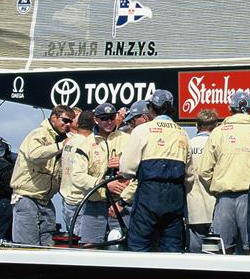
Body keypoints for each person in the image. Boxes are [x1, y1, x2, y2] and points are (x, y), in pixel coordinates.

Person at [119, 89, 192, 252]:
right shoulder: (183, 133)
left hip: (148, 195)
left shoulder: (142, 130)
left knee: (139, 244)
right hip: (175, 197)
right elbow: (190, 175)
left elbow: (126, 169)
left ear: (151, 108)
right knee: (172, 247)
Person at [198, 90, 250, 254]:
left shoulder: (218, 132)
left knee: (221, 251)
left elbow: (204, 171)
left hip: (224, 197)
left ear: (230, 109)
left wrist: (214, 189)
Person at [10, 105, 73, 246]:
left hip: (46, 200)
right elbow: (34, 154)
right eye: (65, 120)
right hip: (27, 197)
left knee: (48, 244)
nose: (68, 124)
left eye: (70, 121)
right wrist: (60, 146)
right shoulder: (38, 134)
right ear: (54, 118)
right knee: (27, 246)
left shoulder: (63, 138)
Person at [68, 103, 130, 245]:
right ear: (96, 120)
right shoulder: (86, 144)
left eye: (112, 117)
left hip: (121, 203)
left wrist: (123, 163)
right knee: (89, 246)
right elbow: (77, 176)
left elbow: (138, 168)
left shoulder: (127, 139)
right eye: (104, 118)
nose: (108, 122)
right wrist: (103, 185)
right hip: (94, 203)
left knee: (124, 247)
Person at [186, 109, 219, 252]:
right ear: (216, 126)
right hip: (216, 205)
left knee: (194, 256)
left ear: (196, 125)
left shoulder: (188, 144)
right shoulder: (218, 145)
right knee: (214, 253)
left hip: (193, 206)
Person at [59, 109, 95, 235]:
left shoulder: (69, 142)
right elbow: (78, 176)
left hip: (67, 199)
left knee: (74, 242)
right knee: (85, 244)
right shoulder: (88, 143)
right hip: (81, 201)